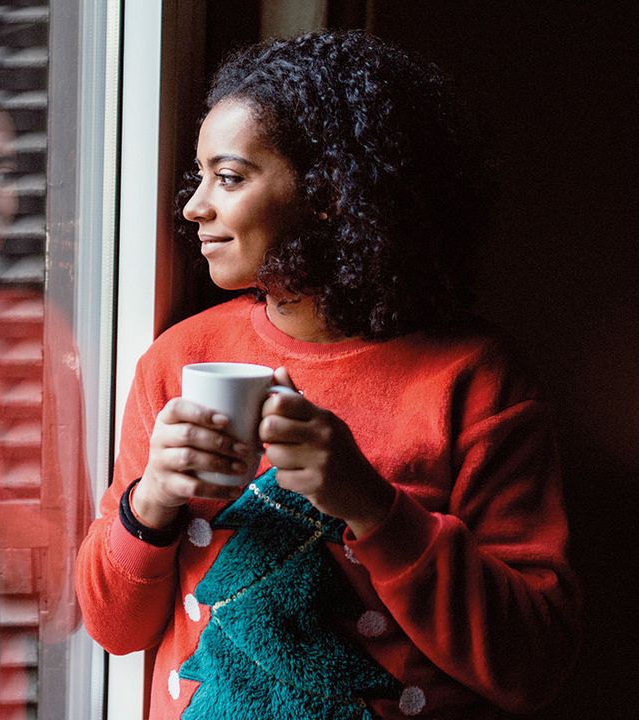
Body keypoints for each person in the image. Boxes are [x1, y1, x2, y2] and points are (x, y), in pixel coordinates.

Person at [75, 30, 579, 719]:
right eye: (200, 178)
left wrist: (373, 506)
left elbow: (534, 663)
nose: (194, 207)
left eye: (228, 178)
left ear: (328, 194)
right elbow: (111, 627)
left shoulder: (476, 380)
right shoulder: (179, 358)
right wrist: (150, 502)